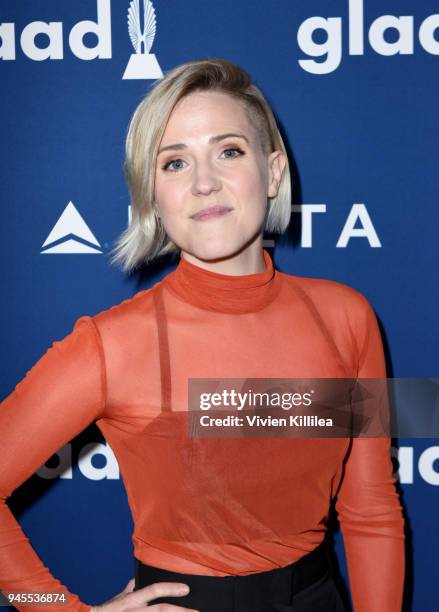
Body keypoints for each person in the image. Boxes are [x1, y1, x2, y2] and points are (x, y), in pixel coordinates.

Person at [0, 58, 405, 612]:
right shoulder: (112, 345)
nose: (204, 182)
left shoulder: (346, 317)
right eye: (174, 163)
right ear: (153, 196)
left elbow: (371, 507)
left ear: (274, 170)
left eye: (229, 151)